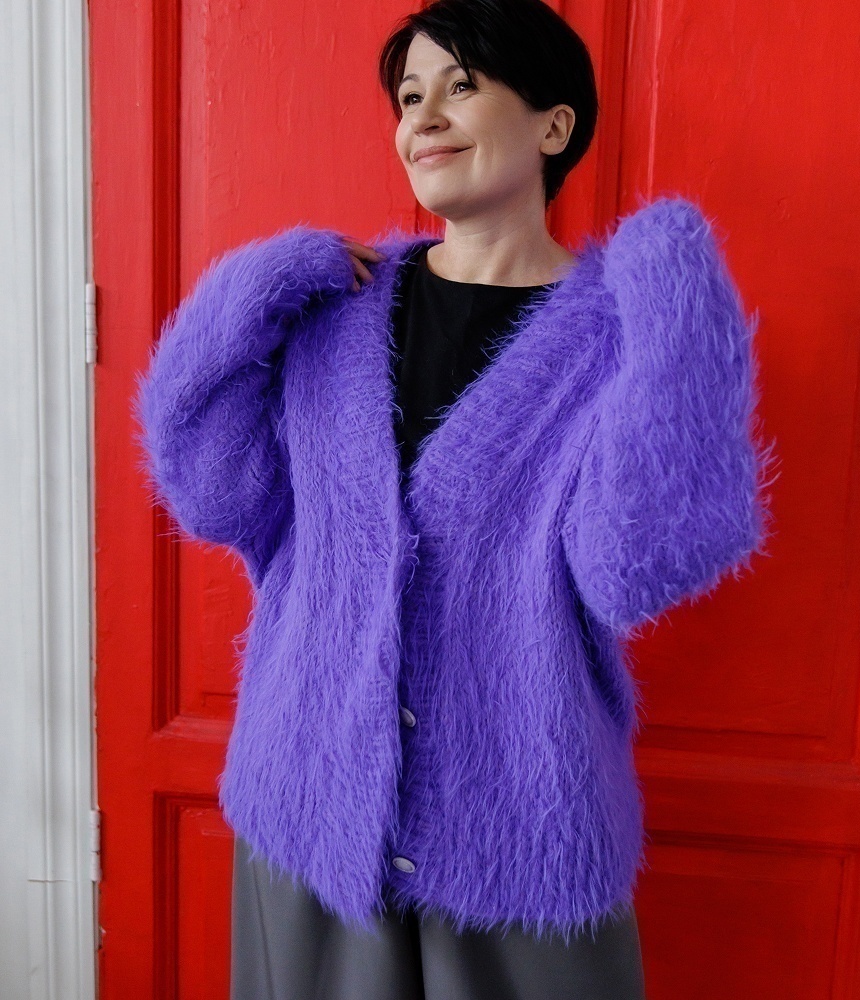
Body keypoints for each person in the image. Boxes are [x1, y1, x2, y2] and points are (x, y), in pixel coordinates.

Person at [133, 0, 776, 996]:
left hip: (517, 832)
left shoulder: (619, 335)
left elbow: (636, 562)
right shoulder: (328, 313)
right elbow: (210, 488)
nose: (423, 117)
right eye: (408, 96)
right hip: (310, 808)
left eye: (462, 86)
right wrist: (252, 290)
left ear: (554, 125)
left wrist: (677, 291)